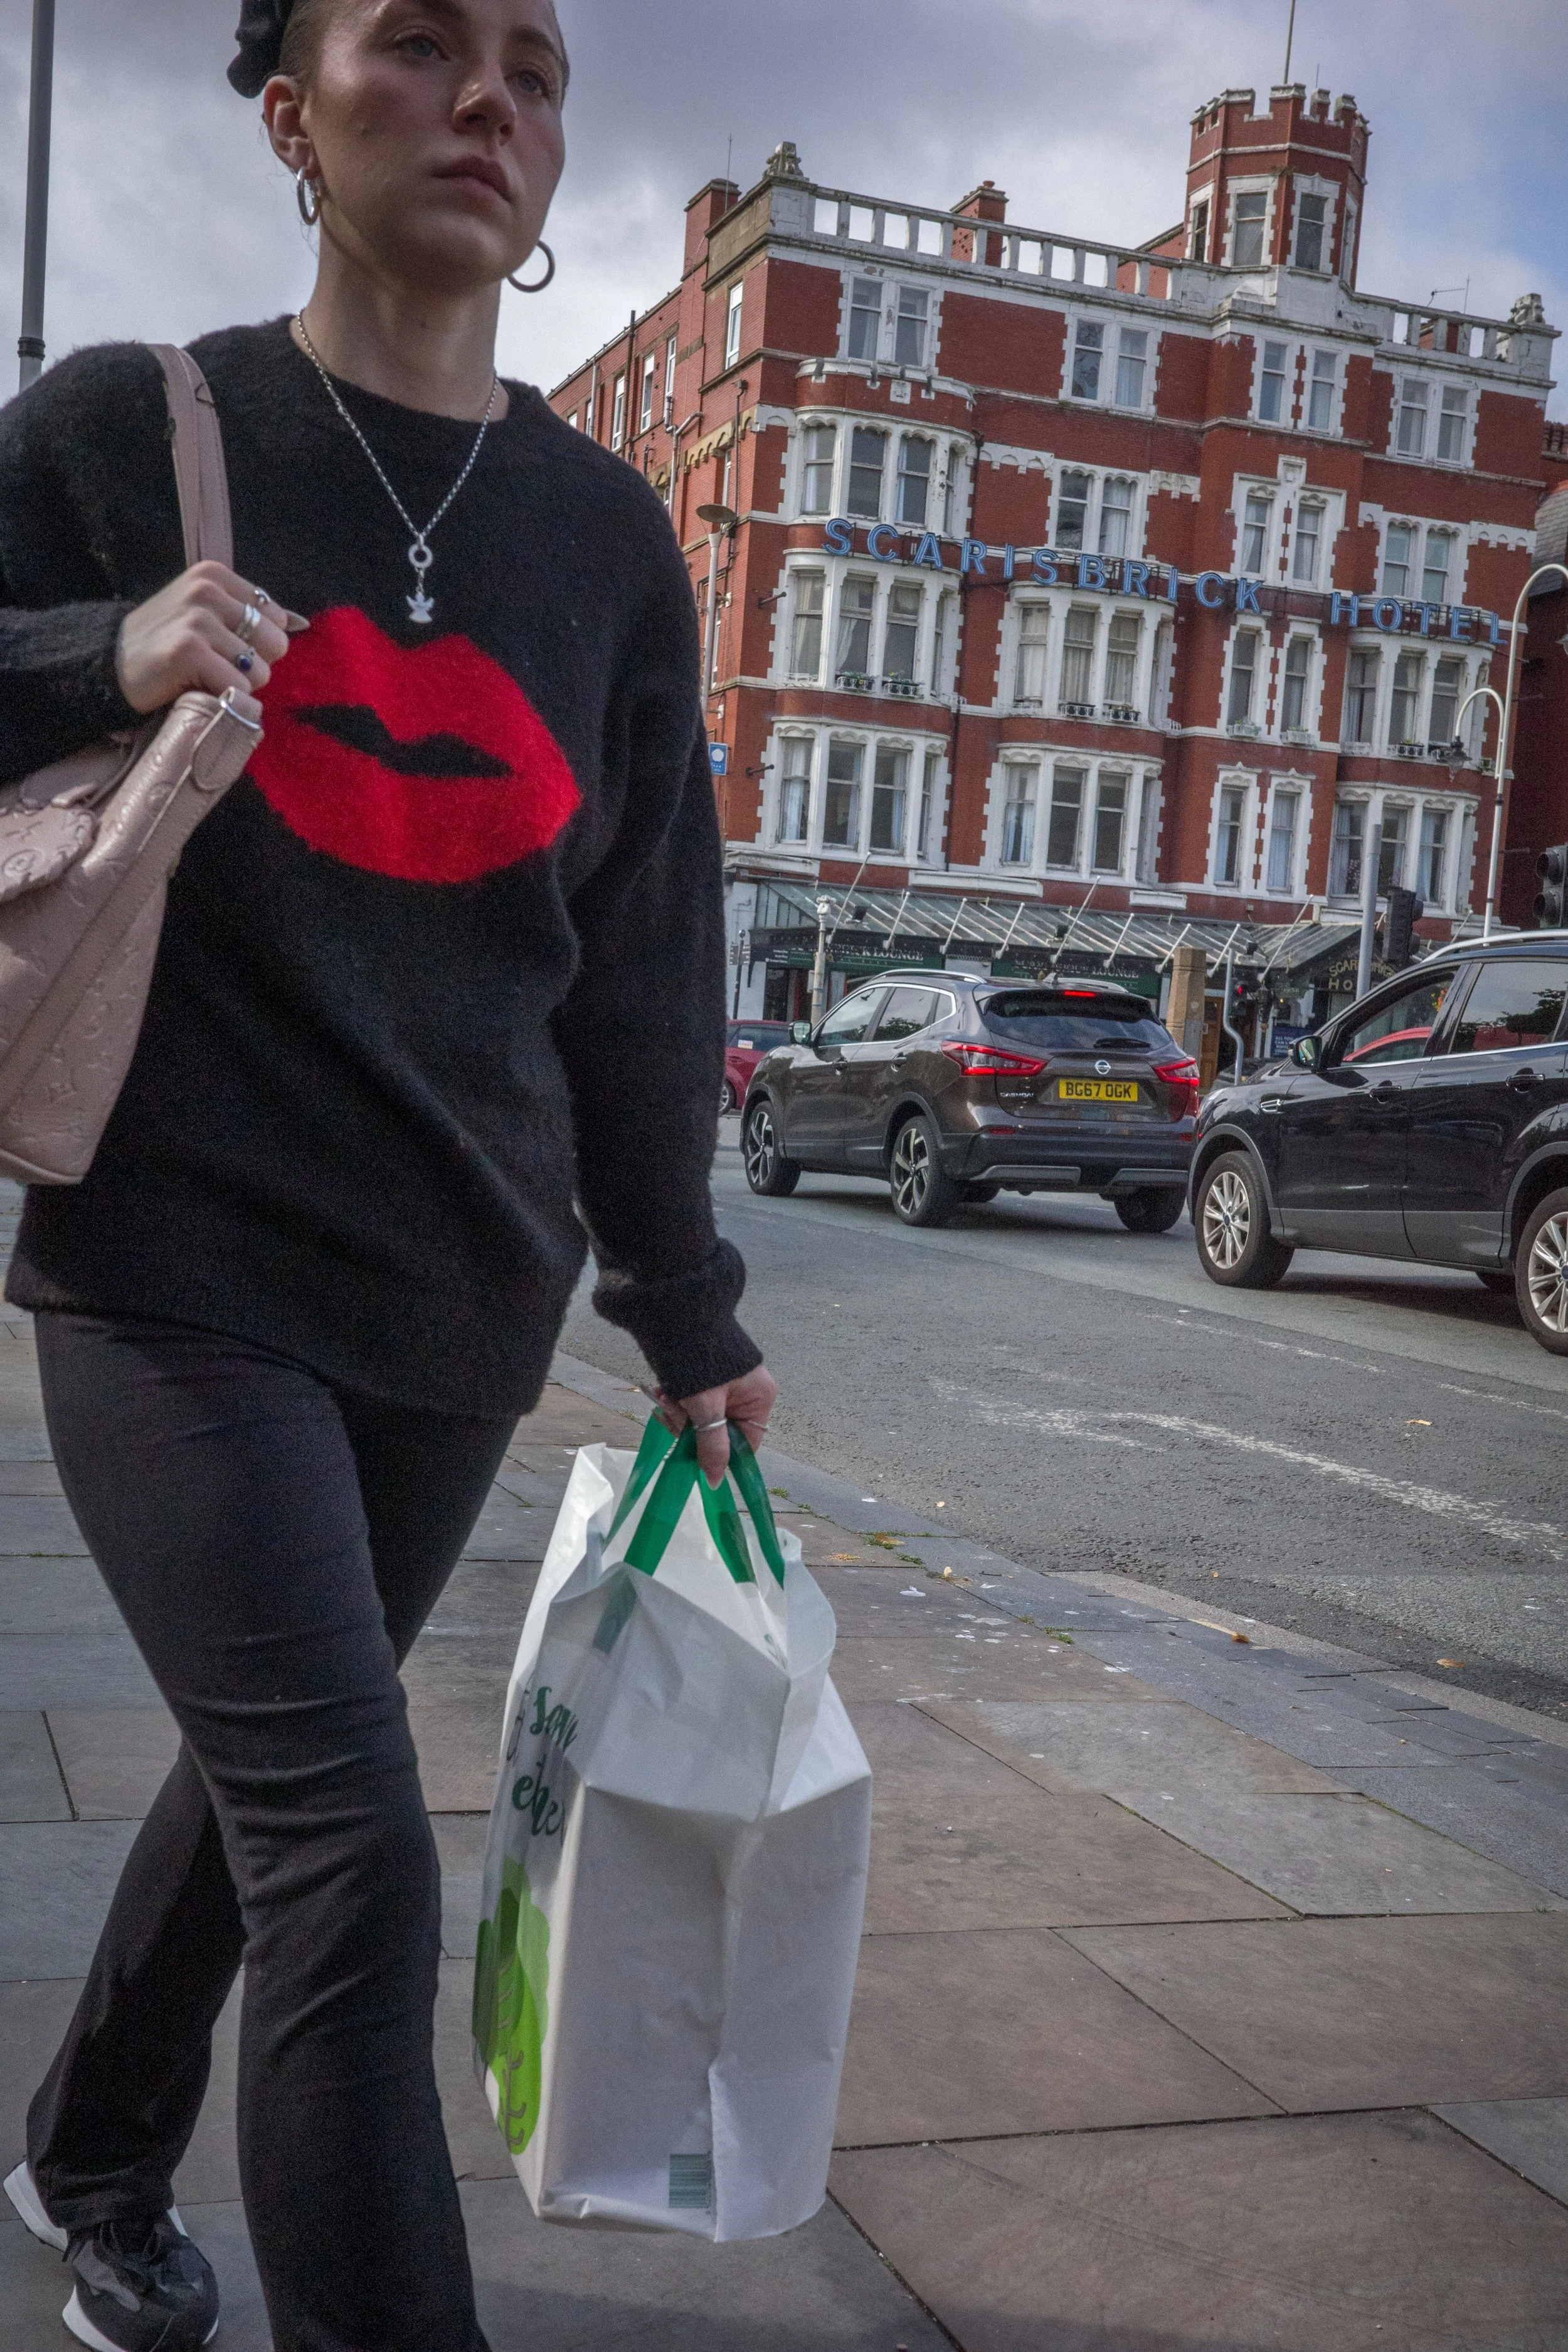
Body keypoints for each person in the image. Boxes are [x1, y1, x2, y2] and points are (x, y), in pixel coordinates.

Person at [0, 1, 775, 2345]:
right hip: (172, 1259)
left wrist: (689, 1309)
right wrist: (93, 644)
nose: (489, 103)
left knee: (264, 1807)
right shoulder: (140, 426)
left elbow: (642, 961)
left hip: (458, 1302)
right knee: (348, 1846)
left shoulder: (607, 537)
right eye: (419, 44)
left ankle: (87, 2149)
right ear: (287, 113)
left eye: (535, 67)